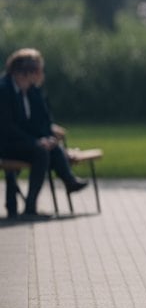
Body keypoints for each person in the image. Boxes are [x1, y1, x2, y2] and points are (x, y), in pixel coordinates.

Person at [1, 49, 88, 218]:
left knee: (52, 148)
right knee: (41, 152)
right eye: (40, 71)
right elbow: (6, 127)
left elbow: (41, 120)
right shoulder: (3, 90)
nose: (42, 75)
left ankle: (69, 181)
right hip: (7, 144)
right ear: (27, 72)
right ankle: (30, 206)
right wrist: (35, 142)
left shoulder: (31, 90)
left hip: (24, 142)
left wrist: (47, 138)